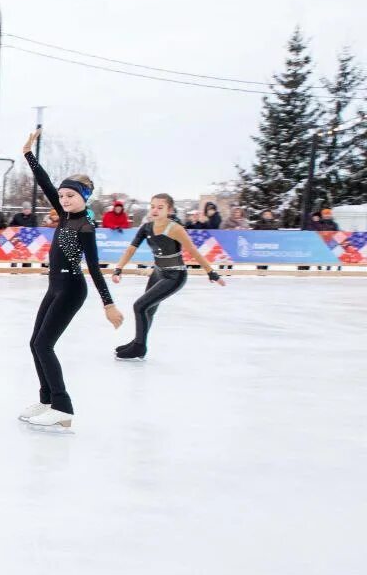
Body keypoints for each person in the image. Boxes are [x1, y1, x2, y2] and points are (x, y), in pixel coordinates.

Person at [19, 129, 123, 431]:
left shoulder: (85, 226)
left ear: (84, 198)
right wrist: (28, 153)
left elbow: (93, 266)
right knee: (35, 343)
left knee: (44, 345)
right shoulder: (65, 216)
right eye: (62, 196)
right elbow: (46, 183)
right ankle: (47, 400)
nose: (63, 200)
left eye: (70, 196)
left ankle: (63, 407)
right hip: (55, 286)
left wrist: (109, 304)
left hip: (71, 289)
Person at [109, 193, 224, 361]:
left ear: (169, 210)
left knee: (139, 306)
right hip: (158, 272)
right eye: (153, 206)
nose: (155, 210)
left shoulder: (175, 228)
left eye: (160, 207)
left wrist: (211, 272)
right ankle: (138, 341)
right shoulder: (146, 227)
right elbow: (131, 249)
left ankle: (139, 347)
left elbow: (193, 251)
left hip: (175, 275)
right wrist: (118, 268)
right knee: (149, 310)